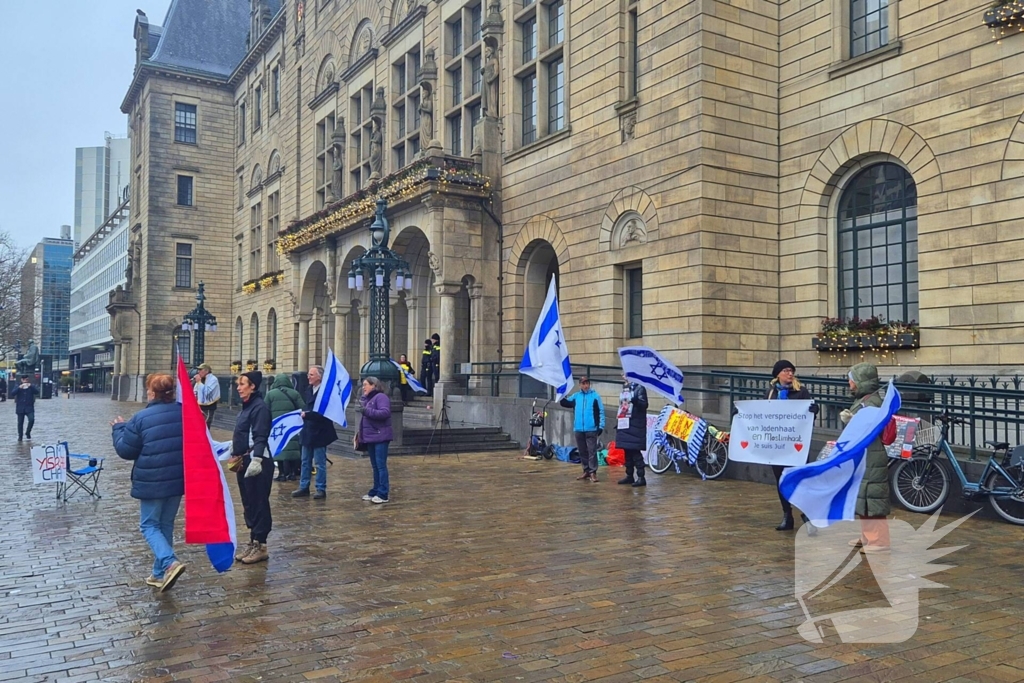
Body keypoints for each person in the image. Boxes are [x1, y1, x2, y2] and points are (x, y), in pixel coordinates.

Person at [110, 373, 186, 592]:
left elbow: (126, 450)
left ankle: (169, 561)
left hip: (152, 480)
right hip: (177, 478)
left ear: (152, 393)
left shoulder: (141, 418)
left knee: (149, 525)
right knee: (165, 524)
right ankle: (159, 573)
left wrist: (118, 429)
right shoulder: (184, 413)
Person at [765, 360, 819, 534]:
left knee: (802, 480)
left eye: (791, 370)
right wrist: (742, 415)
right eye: (786, 370)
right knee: (781, 481)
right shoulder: (771, 393)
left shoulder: (801, 392)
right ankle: (787, 514)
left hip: (796, 444)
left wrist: (813, 410)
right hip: (777, 444)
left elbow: (806, 417)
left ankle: (808, 515)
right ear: (778, 374)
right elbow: (761, 415)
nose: (790, 373)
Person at [845, 362, 891, 553]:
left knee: (872, 497)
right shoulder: (865, 399)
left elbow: (871, 427)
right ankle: (867, 535)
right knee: (863, 496)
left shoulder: (871, 402)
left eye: (852, 379)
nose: (849, 383)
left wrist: (852, 420)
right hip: (865, 455)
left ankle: (879, 541)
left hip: (873, 455)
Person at [230, 371, 274, 564]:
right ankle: (253, 540)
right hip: (243, 460)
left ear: (253, 386)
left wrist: (256, 459)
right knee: (248, 502)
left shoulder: (259, 408)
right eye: (238, 384)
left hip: (257, 461)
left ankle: (261, 545)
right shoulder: (246, 408)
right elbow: (241, 432)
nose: (238, 387)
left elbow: (260, 435)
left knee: (258, 502)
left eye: (242, 384)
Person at [293, 365, 338, 500]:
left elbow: (324, 413)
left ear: (319, 377)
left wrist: (307, 415)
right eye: (308, 374)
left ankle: (320, 488)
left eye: (311, 375)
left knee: (319, 462)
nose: (308, 377)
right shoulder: (308, 390)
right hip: (307, 430)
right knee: (305, 461)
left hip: (320, 431)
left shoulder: (325, 392)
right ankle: (304, 486)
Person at [560, 377, 606, 482]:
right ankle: (586, 470)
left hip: (591, 428)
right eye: (583, 383)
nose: (585, 385)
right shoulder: (576, 396)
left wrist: (601, 426)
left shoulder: (595, 396)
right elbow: (565, 403)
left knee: (592, 451)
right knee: (582, 451)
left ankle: (593, 472)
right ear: (580, 385)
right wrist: (561, 394)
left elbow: (601, 412)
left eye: (587, 383)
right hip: (579, 428)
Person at [356, 376, 393, 504]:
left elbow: (385, 413)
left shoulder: (381, 397)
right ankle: (376, 489)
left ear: (374, 385)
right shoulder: (366, 399)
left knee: (381, 465)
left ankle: (383, 493)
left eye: (366, 384)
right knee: (375, 466)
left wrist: (367, 411)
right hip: (370, 437)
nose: (363, 387)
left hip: (380, 436)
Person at [265, 373, 304, 482]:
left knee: (279, 448)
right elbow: (302, 407)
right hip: (291, 426)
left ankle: (281, 473)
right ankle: (292, 473)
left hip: (277, 426)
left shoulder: (270, 394)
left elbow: (265, 409)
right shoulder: (294, 393)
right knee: (292, 448)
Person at [615, 376, 649, 487]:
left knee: (635, 452)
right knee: (627, 452)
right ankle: (629, 475)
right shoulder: (625, 388)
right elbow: (623, 406)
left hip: (635, 425)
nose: (623, 376)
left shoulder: (640, 388)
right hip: (626, 423)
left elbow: (644, 405)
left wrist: (635, 399)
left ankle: (641, 477)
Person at [10, 375, 38, 441]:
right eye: (24, 380)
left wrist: (30, 386)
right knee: (20, 423)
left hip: (29, 407)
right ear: (22, 380)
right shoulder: (18, 386)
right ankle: (20, 436)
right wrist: (19, 388)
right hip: (20, 407)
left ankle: (28, 432)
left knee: (31, 419)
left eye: (27, 379)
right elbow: (12, 393)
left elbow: (37, 392)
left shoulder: (31, 386)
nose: (26, 381)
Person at [193, 364, 221, 428]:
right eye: (198, 370)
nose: (198, 372)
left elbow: (207, 392)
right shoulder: (201, 379)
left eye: (200, 370)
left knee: (205, 425)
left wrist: (199, 382)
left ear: (207, 371)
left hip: (209, 407)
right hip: (200, 406)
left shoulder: (213, 379)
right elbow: (195, 390)